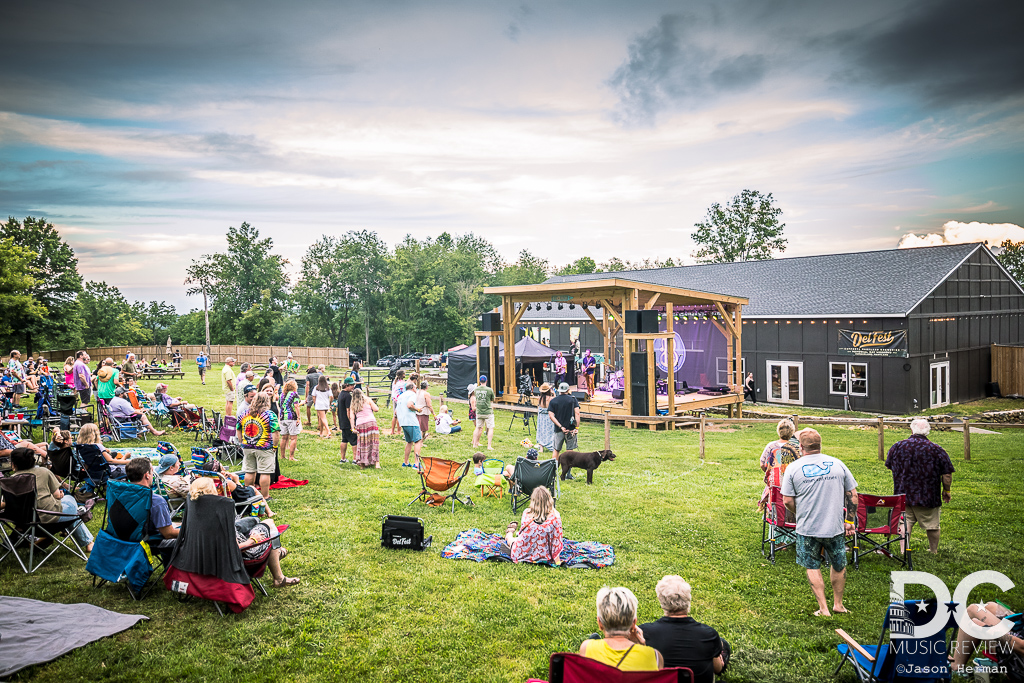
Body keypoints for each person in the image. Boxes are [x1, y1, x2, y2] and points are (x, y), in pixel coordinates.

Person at [781, 428, 858, 617]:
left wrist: (800, 512)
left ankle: (823, 608)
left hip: (808, 527)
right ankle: (838, 604)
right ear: (820, 445)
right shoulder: (838, 464)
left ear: (801, 447)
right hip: (835, 526)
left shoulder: (793, 468)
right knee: (838, 564)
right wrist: (849, 520)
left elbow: (787, 501)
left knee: (812, 565)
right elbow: (853, 495)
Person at [885, 418, 955, 554]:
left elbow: (889, 466)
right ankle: (933, 550)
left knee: (905, 522)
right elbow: (947, 475)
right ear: (928, 431)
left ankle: (903, 551)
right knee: (932, 524)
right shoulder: (937, 450)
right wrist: (947, 490)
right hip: (928, 495)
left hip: (903, 493)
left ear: (911, 430)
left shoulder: (897, 446)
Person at [640, 576, 728, 683]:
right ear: (688, 599)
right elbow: (718, 669)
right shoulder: (708, 634)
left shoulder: (644, 632)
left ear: (661, 601)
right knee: (723, 645)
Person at [10, 446, 94, 552]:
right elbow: (57, 495)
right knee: (70, 502)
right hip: (50, 520)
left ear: (13, 463)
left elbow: (6, 503)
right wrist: (59, 496)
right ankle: (88, 540)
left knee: (64, 509)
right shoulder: (43, 471)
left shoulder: (9, 481)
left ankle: (49, 537)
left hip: (25, 524)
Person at [579, 587, 663, 671]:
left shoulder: (586, 648)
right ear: (634, 623)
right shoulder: (655, 656)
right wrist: (642, 646)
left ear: (600, 623)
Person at [125, 457, 178, 564]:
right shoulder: (155, 500)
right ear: (147, 475)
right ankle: (172, 573)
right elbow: (168, 534)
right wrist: (190, 530)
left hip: (125, 539)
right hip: (149, 542)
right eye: (152, 471)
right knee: (187, 537)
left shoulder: (122, 495)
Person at [951, 600, 1024, 678]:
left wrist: (985, 628)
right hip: (1020, 634)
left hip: (1016, 656)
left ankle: (955, 667)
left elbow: (1021, 647)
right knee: (989, 606)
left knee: (973, 610)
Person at [505, 486, 564, 565]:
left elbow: (523, 534)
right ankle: (510, 532)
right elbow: (556, 541)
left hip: (521, 553)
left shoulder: (527, 513)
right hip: (544, 555)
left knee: (512, 540)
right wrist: (557, 561)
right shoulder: (555, 517)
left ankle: (510, 531)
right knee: (516, 539)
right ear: (549, 499)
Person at [237, 392, 279, 501]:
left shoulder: (244, 413)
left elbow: (238, 428)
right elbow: (276, 432)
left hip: (247, 446)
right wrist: (275, 445)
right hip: (264, 447)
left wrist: (242, 442)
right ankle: (265, 496)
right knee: (265, 472)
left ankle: (248, 493)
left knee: (249, 471)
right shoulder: (270, 415)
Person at [548, 382, 581, 475]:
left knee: (556, 450)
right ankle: (568, 473)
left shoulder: (553, 401)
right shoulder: (573, 400)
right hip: (571, 429)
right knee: (570, 452)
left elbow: (551, 415)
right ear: (568, 390)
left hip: (559, 430)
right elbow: (577, 413)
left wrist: (560, 426)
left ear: (559, 390)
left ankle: (552, 472)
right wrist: (577, 427)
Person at [396, 380, 425, 468]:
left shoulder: (401, 396)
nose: (416, 389)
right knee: (418, 440)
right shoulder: (412, 394)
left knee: (409, 441)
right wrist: (417, 409)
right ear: (412, 388)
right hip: (411, 421)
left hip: (403, 421)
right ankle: (416, 464)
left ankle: (406, 462)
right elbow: (409, 405)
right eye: (416, 388)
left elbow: (396, 411)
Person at [349, 388, 380, 469]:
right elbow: (376, 409)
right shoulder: (368, 400)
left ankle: (362, 463)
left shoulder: (353, 404)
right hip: (371, 422)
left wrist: (352, 428)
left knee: (362, 443)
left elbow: (351, 417)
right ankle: (377, 463)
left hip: (360, 424)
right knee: (374, 442)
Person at [278, 379, 302, 462]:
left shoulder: (282, 395)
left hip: (282, 418)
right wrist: (298, 417)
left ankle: (282, 456)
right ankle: (291, 457)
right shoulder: (294, 394)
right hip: (291, 417)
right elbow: (296, 405)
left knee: (284, 438)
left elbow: (280, 405)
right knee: (293, 438)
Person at [471, 375, 496, 451]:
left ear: (479, 381)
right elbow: (492, 399)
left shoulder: (476, 390)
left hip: (479, 411)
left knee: (477, 427)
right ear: (486, 381)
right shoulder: (489, 390)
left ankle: (475, 444)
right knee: (490, 428)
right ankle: (489, 446)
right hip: (488, 412)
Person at [337, 377, 356, 463]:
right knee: (354, 440)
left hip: (342, 421)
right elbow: (348, 410)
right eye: (352, 385)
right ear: (347, 385)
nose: (353, 387)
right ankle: (355, 459)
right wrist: (352, 422)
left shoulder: (341, 394)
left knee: (344, 439)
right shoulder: (348, 396)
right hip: (347, 422)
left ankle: (343, 458)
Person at [535, 382, 555, 451]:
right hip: (549, 417)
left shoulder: (539, 398)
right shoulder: (551, 398)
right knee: (550, 431)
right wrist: (553, 394)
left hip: (541, 418)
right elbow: (556, 401)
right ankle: (551, 445)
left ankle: (541, 448)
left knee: (541, 431)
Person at [389, 369, 406, 435]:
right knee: (399, 415)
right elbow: (404, 392)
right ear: (402, 375)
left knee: (395, 415)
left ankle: (392, 430)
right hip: (399, 400)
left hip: (394, 399)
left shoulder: (395, 381)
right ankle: (399, 430)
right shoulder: (402, 383)